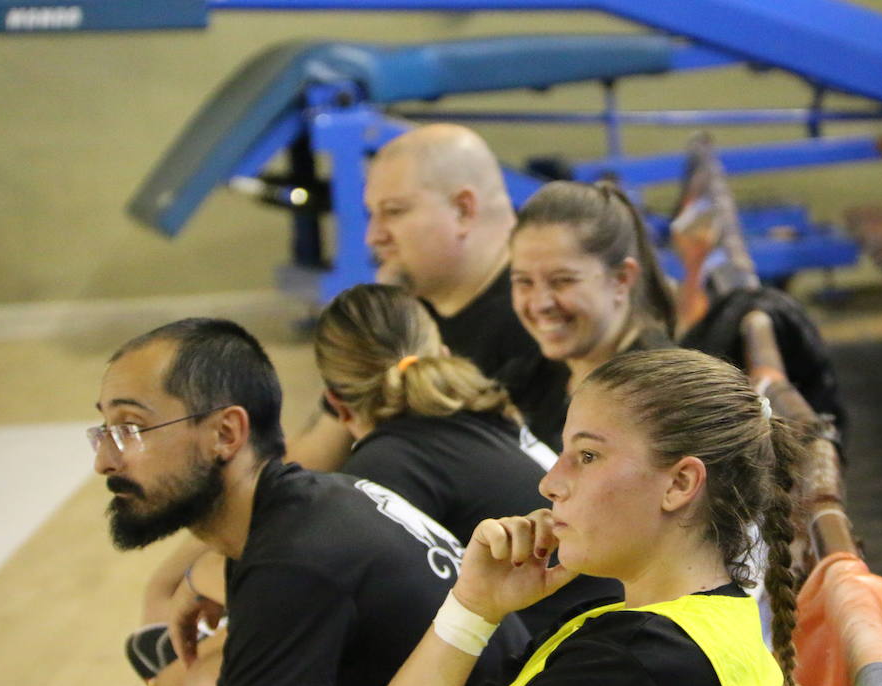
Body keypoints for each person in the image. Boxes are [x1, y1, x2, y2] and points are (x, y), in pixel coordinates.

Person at [0, 318, 521, 686]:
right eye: (103, 431)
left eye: (130, 429)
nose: (104, 461)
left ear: (225, 434)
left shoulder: (297, 563)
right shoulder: (300, 509)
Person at [334, 347, 804, 686]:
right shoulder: (630, 630)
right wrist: (471, 609)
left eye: (587, 455)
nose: (550, 482)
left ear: (680, 482)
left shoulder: (639, 669)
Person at [315, 282, 622, 633]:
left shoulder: (381, 469)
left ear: (337, 404)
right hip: (615, 630)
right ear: (443, 355)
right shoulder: (494, 414)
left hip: (568, 650)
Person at [290, 123, 538, 471]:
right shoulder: (402, 316)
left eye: (394, 211)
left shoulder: (541, 324)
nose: (373, 237)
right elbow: (313, 458)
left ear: (463, 210)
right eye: (371, 215)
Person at [499, 180, 678, 449]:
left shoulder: (658, 400)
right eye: (524, 282)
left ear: (621, 279)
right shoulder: (530, 378)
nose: (539, 304)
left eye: (562, 281)